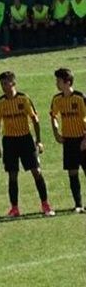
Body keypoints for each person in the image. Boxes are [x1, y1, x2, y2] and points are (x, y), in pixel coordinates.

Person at [0, 71, 54, 217]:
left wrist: (38, 140)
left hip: (25, 139)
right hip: (9, 141)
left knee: (36, 171)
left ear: (13, 83)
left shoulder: (24, 99)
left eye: (6, 83)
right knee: (12, 175)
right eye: (1, 84)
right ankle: (14, 208)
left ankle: (45, 204)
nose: (3, 86)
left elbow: (35, 119)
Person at [49, 68, 86, 213]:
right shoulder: (57, 99)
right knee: (72, 172)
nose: (56, 83)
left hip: (82, 139)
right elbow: (53, 116)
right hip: (68, 140)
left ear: (67, 82)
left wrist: (85, 139)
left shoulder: (80, 97)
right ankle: (78, 204)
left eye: (58, 81)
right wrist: (56, 133)